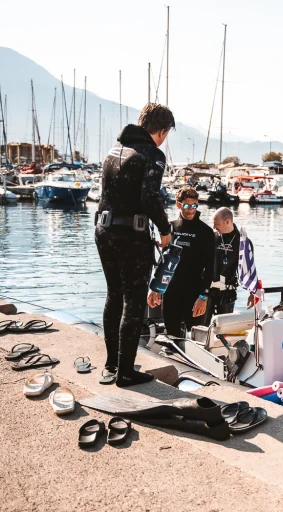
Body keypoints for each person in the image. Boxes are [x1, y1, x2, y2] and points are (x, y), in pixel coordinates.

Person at [95, 102, 175, 387]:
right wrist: (165, 230)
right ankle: (126, 373)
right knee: (133, 300)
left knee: (113, 295)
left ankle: (111, 365)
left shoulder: (114, 150)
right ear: (162, 131)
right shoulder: (152, 154)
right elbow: (149, 198)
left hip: (103, 231)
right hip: (131, 235)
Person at [147, 186, 215, 339]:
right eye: (187, 206)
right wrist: (155, 288)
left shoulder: (205, 232)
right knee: (172, 338)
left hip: (194, 294)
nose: (191, 210)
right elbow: (163, 261)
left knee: (197, 341)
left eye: (194, 206)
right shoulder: (170, 227)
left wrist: (203, 297)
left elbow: (211, 267)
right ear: (178, 204)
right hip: (171, 293)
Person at [208, 207, 245, 318]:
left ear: (227, 222)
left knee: (222, 327)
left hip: (227, 292)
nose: (214, 227)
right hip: (208, 290)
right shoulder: (212, 237)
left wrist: (253, 292)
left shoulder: (242, 242)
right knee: (202, 326)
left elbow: (248, 269)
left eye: (217, 224)